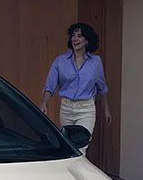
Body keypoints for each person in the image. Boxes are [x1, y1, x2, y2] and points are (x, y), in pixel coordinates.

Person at [39, 22, 112, 155]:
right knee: (69, 148)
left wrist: (106, 110)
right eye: (73, 35)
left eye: (79, 36)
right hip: (66, 109)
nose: (75, 39)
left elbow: (101, 87)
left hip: (86, 109)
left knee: (81, 149)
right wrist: (44, 102)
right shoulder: (60, 61)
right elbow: (50, 85)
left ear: (87, 41)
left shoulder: (96, 62)